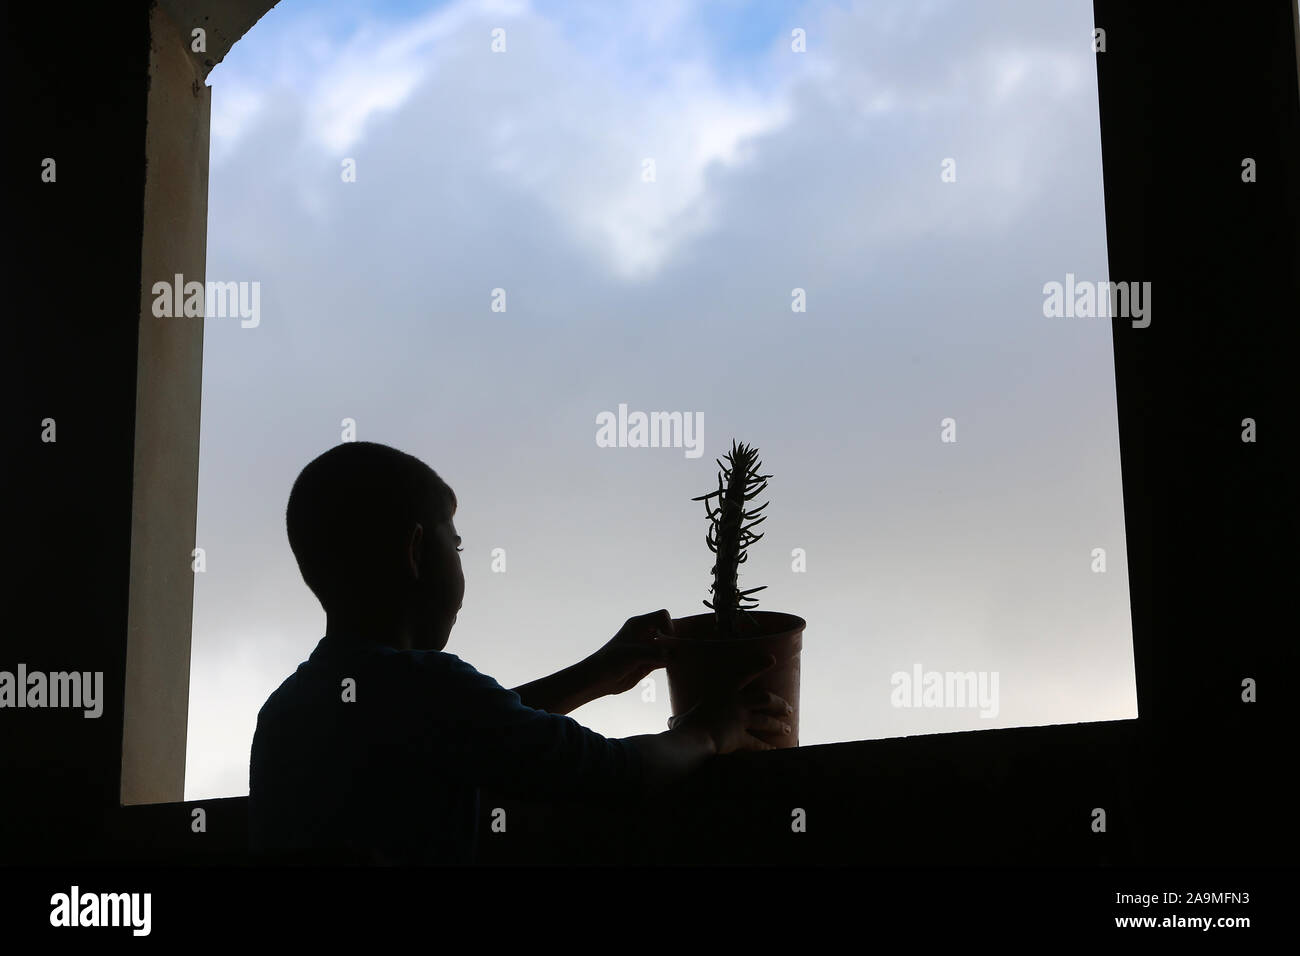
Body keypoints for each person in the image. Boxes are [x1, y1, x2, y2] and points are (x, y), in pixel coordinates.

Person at [248, 441, 790, 863]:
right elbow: (617, 773)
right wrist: (710, 732)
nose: (462, 565)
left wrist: (597, 672)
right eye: (455, 545)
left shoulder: (287, 711)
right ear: (416, 551)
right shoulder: (429, 689)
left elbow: (476, 731)